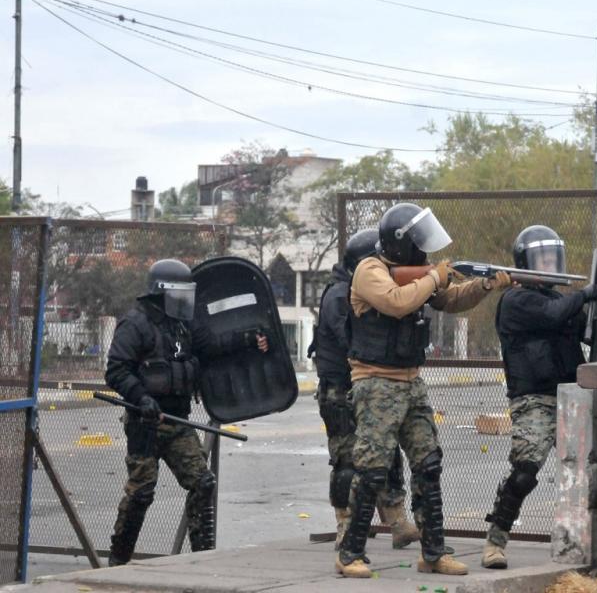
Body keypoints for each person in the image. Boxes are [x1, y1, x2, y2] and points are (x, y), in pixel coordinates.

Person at [335, 203, 512, 578]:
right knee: (372, 469)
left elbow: (450, 299)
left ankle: (433, 552)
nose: (425, 252)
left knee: (428, 464)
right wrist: (436, 276)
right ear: (401, 243)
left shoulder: (417, 278)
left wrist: (483, 285)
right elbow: (397, 303)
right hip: (376, 382)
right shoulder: (370, 271)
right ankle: (350, 553)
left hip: (410, 381)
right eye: (418, 243)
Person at [104, 259, 269, 567]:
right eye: (178, 295)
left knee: (203, 483)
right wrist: (141, 397)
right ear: (160, 293)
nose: (184, 302)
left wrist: (248, 338)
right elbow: (116, 370)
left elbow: (213, 346)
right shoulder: (136, 324)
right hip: (145, 422)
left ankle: (203, 558)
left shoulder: (183, 324)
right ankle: (118, 560)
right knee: (141, 493)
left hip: (177, 421)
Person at [481, 225, 597, 570]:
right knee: (525, 470)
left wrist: (596, 305)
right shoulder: (517, 300)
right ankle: (495, 541)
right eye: (542, 259)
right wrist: (586, 293)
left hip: (571, 394)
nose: (549, 265)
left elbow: (582, 327)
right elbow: (553, 316)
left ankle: (588, 541)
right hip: (534, 398)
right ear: (526, 262)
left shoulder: (559, 299)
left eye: (553, 258)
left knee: (588, 469)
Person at [307, 228, 419, 551]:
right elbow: (354, 342)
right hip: (340, 391)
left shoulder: (358, 289)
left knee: (386, 454)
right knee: (346, 461)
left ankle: (397, 522)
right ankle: (344, 526)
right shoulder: (339, 295)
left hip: (365, 388)